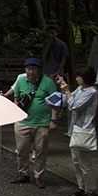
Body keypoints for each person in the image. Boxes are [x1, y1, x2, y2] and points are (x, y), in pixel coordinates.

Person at [10, 57, 59, 188]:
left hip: (42, 122)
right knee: (21, 150)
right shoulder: (20, 81)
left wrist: (53, 120)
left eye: (33, 69)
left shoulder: (47, 82)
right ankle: (23, 173)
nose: (31, 72)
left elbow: (55, 102)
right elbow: (16, 99)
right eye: (28, 69)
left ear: (38, 70)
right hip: (23, 122)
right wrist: (16, 115)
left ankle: (39, 176)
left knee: (40, 151)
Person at [57, 66, 98, 196]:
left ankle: (89, 190)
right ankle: (81, 187)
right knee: (76, 161)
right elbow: (68, 100)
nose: (76, 79)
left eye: (78, 76)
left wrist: (67, 90)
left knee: (84, 163)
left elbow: (75, 105)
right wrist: (64, 89)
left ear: (84, 78)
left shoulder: (91, 92)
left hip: (84, 130)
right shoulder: (80, 89)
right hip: (74, 129)